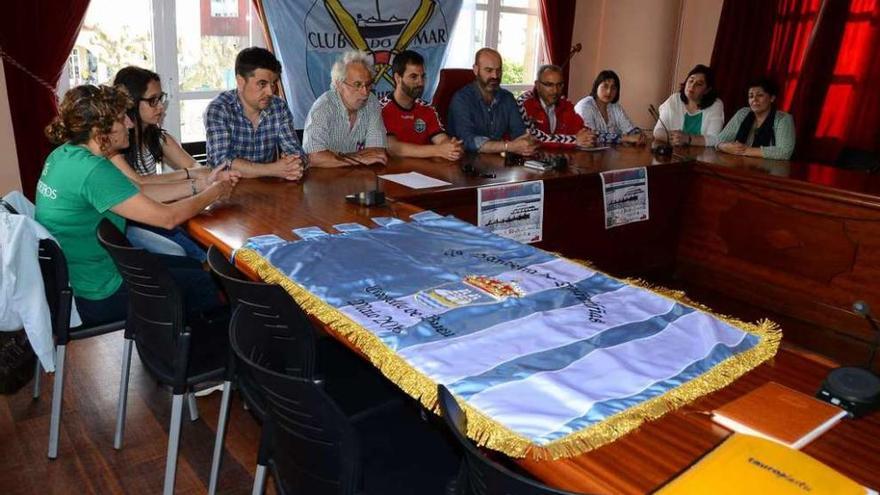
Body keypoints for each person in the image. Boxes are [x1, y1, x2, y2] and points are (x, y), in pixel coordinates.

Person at [35, 84, 239, 326]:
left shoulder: (64, 155)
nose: (131, 125)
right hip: (99, 293)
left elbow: (138, 192)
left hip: (80, 279)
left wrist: (203, 184)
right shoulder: (92, 171)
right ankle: (199, 354)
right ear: (102, 131)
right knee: (200, 282)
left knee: (193, 267)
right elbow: (168, 218)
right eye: (123, 119)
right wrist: (215, 192)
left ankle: (180, 343)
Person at [113, 66, 221, 260]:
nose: (160, 107)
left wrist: (201, 174)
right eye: (153, 101)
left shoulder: (157, 137)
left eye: (160, 99)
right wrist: (189, 175)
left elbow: (197, 168)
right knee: (200, 254)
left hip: (157, 213)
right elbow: (140, 185)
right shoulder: (115, 146)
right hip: (131, 221)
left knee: (209, 243)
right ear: (132, 103)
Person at [204, 47, 305, 180]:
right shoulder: (219, 109)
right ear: (240, 82)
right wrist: (274, 169)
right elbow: (222, 164)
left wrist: (294, 164)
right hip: (225, 191)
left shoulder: (278, 107)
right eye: (262, 84)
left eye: (273, 83)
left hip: (267, 190)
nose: (270, 92)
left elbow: (298, 154)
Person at [302, 50, 388, 167]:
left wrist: (333, 158)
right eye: (357, 85)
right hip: (324, 179)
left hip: (358, 177)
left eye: (368, 84)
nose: (365, 93)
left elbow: (377, 153)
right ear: (339, 84)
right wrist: (358, 159)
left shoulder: (372, 102)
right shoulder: (323, 107)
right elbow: (313, 157)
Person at [447, 48, 537, 155]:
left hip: (497, 163)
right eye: (489, 70)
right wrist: (508, 146)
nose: (495, 76)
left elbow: (519, 134)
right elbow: (468, 141)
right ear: (476, 70)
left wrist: (526, 144)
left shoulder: (507, 98)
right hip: (465, 163)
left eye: (498, 71)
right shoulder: (461, 99)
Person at [379, 50, 463, 160]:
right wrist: (438, 150)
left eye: (422, 76)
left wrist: (452, 148)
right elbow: (393, 148)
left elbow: (441, 140)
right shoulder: (381, 109)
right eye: (413, 77)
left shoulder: (428, 109)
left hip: (425, 172)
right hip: (392, 173)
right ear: (398, 78)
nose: (421, 82)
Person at [517, 64, 596, 148]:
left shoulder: (564, 103)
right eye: (549, 85)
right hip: (529, 159)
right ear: (537, 85)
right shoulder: (524, 104)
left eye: (559, 85)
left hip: (558, 157)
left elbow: (581, 129)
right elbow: (531, 138)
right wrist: (574, 140)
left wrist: (588, 137)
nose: (555, 90)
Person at [716, 78, 795, 160]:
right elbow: (719, 140)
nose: (754, 99)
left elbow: (785, 152)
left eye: (760, 95)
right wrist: (724, 146)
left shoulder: (783, 119)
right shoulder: (742, 113)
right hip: (739, 165)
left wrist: (744, 150)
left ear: (772, 98)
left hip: (769, 169)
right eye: (751, 96)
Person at [653, 64, 724, 147]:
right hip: (674, 154)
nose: (692, 86)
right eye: (691, 80)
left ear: (707, 90)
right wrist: (675, 138)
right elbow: (657, 131)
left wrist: (688, 139)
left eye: (699, 84)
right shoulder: (674, 100)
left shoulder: (716, 105)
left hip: (702, 156)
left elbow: (714, 139)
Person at [574, 70, 643, 145]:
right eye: (605, 86)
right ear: (597, 86)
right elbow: (591, 136)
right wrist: (627, 138)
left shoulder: (615, 107)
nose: (609, 91)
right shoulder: (585, 106)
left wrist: (639, 135)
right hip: (585, 154)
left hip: (610, 154)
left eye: (613, 88)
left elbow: (630, 129)